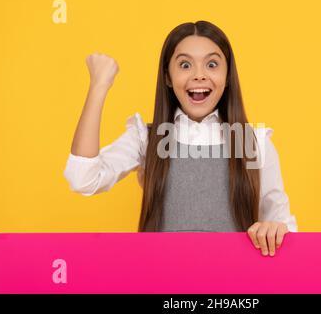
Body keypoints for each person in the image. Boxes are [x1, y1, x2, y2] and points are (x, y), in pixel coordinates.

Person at [63, 20, 297, 257]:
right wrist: (98, 86)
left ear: (227, 77)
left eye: (212, 64)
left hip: (233, 286)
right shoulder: (147, 138)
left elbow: (282, 223)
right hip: (163, 282)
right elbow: (83, 179)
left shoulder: (254, 142)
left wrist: (276, 228)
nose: (199, 76)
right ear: (167, 76)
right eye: (185, 65)